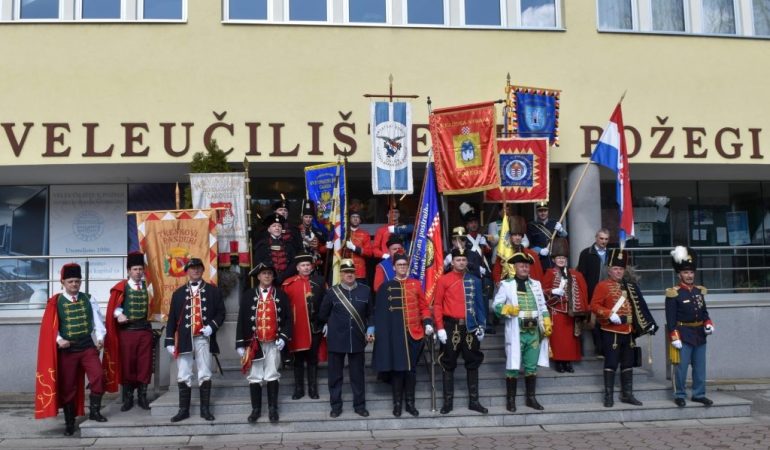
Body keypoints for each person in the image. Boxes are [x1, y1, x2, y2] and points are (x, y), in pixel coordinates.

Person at [35, 263, 108, 435]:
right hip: (68, 351)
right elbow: (50, 327)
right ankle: (69, 421)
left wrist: (100, 338)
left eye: (77, 281)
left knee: (98, 376)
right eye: (70, 281)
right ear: (63, 282)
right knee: (68, 387)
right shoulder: (56, 302)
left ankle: (95, 411)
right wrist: (59, 340)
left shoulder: (89, 299)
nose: (74, 284)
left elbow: (98, 321)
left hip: (87, 346)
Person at [591, 249, 658, 408]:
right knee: (611, 363)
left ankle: (627, 394)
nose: (618, 272)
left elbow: (640, 307)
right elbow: (593, 305)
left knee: (628, 364)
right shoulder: (602, 286)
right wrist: (609, 314)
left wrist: (647, 323)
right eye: (615, 269)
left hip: (628, 330)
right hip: (611, 331)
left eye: (621, 269)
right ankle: (608, 396)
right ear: (609, 270)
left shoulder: (630, 287)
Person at [372, 253, 433, 417]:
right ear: (394, 267)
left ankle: (410, 404)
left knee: (411, 370)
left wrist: (427, 322)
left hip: (414, 333)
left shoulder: (415, 284)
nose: (402, 267)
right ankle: (397, 404)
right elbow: (381, 314)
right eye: (399, 265)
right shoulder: (387, 287)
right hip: (396, 335)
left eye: (404, 265)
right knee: (398, 370)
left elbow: (424, 307)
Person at [164, 257, 226, 422]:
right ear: (187, 272)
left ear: (203, 270)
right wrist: (169, 340)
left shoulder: (213, 291)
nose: (196, 270)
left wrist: (212, 326)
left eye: (198, 268)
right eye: (192, 268)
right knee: (183, 373)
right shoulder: (178, 294)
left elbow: (221, 313)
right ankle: (183, 410)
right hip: (184, 340)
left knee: (205, 373)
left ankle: (205, 410)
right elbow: (172, 319)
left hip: (203, 339)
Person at [493, 252, 552, 412]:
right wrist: (507, 309)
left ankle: (530, 398)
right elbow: (496, 306)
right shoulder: (506, 285)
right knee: (512, 366)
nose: (524, 268)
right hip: (516, 330)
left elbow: (542, 306)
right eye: (521, 266)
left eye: (526, 266)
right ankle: (510, 400)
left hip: (533, 332)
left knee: (531, 366)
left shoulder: (536, 284)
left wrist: (547, 320)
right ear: (515, 267)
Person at [434, 247, 488, 415]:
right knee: (448, 363)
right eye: (458, 260)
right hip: (451, 326)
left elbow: (480, 305)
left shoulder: (475, 280)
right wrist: (440, 328)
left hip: (471, 326)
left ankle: (474, 401)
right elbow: (437, 305)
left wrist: (482, 325)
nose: (461, 262)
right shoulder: (443, 280)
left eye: (464, 260)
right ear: (452, 262)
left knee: (473, 362)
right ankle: (447, 402)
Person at [236, 262, 292, 424]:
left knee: (272, 373)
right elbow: (241, 319)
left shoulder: (281, 294)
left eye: (269, 273)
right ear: (258, 277)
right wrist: (240, 343)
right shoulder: (248, 295)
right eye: (264, 274)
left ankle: (273, 409)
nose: (267, 276)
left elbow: (289, 319)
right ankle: (256, 410)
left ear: (273, 277)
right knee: (255, 375)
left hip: (274, 343)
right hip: (254, 344)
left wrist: (284, 337)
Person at [318, 259, 373, 418]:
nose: (349, 275)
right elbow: (323, 314)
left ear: (355, 273)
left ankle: (359, 406)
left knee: (358, 376)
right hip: (336, 339)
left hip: (357, 338)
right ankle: (336, 406)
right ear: (341, 274)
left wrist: (371, 328)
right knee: (335, 376)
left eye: (352, 272)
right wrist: (329, 324)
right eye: (346, 272)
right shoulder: (332, 292)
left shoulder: (365, 291)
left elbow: (371, 313)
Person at [103, 252, 155, 412]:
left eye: (140, 269)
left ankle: (142, 397)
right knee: (127, 364)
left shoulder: (149, 287)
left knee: (145, 364)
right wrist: (118, 314)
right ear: (128, 271)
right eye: (135, 269)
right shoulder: (121, 287)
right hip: (127, 332)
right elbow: (114, 307)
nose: (138, 272)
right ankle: (128, 398)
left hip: (145, 331)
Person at [667, 246, 714, 408]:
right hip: (683, 334)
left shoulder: (699, 291)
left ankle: (699, 394)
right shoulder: (674, 293)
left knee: (700, 368)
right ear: (679, 274)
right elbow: (670, 319)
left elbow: (704, 313)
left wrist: (708, 324)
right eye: (686, 272)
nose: (689, 275)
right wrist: (674, 336)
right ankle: (679, 394)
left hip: (699, 334)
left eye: (691, 272)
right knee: (681, 368)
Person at [282, 252, 326, 400]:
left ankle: (313, 389)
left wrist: (326, 321)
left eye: (308, 265)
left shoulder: (320, 281)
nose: (306, 268)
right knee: (298, 360)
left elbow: (326, 303)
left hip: (315, 327)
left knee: (313, 359)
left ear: (312, 267)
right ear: (297, 268)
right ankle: (299, 389)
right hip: (297, 328)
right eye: (303, 265)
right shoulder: (288, 284)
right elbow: (284, 309)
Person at [542, 238, 589, 373]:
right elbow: (542, 291)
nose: (561, 260)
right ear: (554, 260)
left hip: (571, 312)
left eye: (563, 258)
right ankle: (559, 362)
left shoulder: (574, 274)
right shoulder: (550, 273)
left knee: (570, 340)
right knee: (558, 339)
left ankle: (568, 362)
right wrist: (553, 291)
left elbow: (582, 291)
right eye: (558, 258)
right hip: (556, 310)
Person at [576, 228, 611, 357]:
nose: (603, 241)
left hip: (609, 292)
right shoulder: (586, 253)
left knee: (608, 319)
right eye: (601, 238)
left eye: (606, 239)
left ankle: (608, 348)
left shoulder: (611, 253)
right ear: (596, 238)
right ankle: (599, 349)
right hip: (593, 292)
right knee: (594, 321)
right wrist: (584, 294)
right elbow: (581, 276)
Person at [492, 216, 543, 285]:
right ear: (510, 237)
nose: (518, 237)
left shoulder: (532, 254)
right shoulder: (502, 254)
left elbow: (538, 277)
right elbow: (496, 273)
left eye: (519, 235)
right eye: (515, 235)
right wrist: (499, 284)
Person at [253, 213, 298, 283]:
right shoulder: (262, 245)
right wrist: (271, 276)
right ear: (269, 229)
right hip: (268, 280)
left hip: (287, 280)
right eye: (274, 226)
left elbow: (293, 263)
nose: (277, 228)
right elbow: (259, 263)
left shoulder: (289, 245)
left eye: (279, 226)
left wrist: (284, 276)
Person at [526, 201, 567, 271]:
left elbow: (564, 237)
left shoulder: (555, 223)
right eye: (540, 211)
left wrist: (561, 230)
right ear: (537, 212)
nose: (543, 213)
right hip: (540, 259)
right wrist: (539, 250)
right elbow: (529, 245)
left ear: (548, 211)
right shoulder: (531, 226)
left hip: (554, 259)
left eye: (545, 210)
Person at [342, 209, 374, 286]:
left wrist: (354, 248)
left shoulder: (365, 234)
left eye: (357, 217)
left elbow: (369, 252)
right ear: (349, 219)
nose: (355, 219)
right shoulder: (343, 233)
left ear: (360, 220)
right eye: (353, 217)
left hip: (359, 270)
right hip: (344, 267)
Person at [296, 199, 328, 274]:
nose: (308, 219)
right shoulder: (296, 231)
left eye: (310, 217)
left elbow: (320, 249)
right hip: (302, 265)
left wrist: (327, 247)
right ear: (302, 217)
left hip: (316, 265)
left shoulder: (317, 231)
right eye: (306, 217)